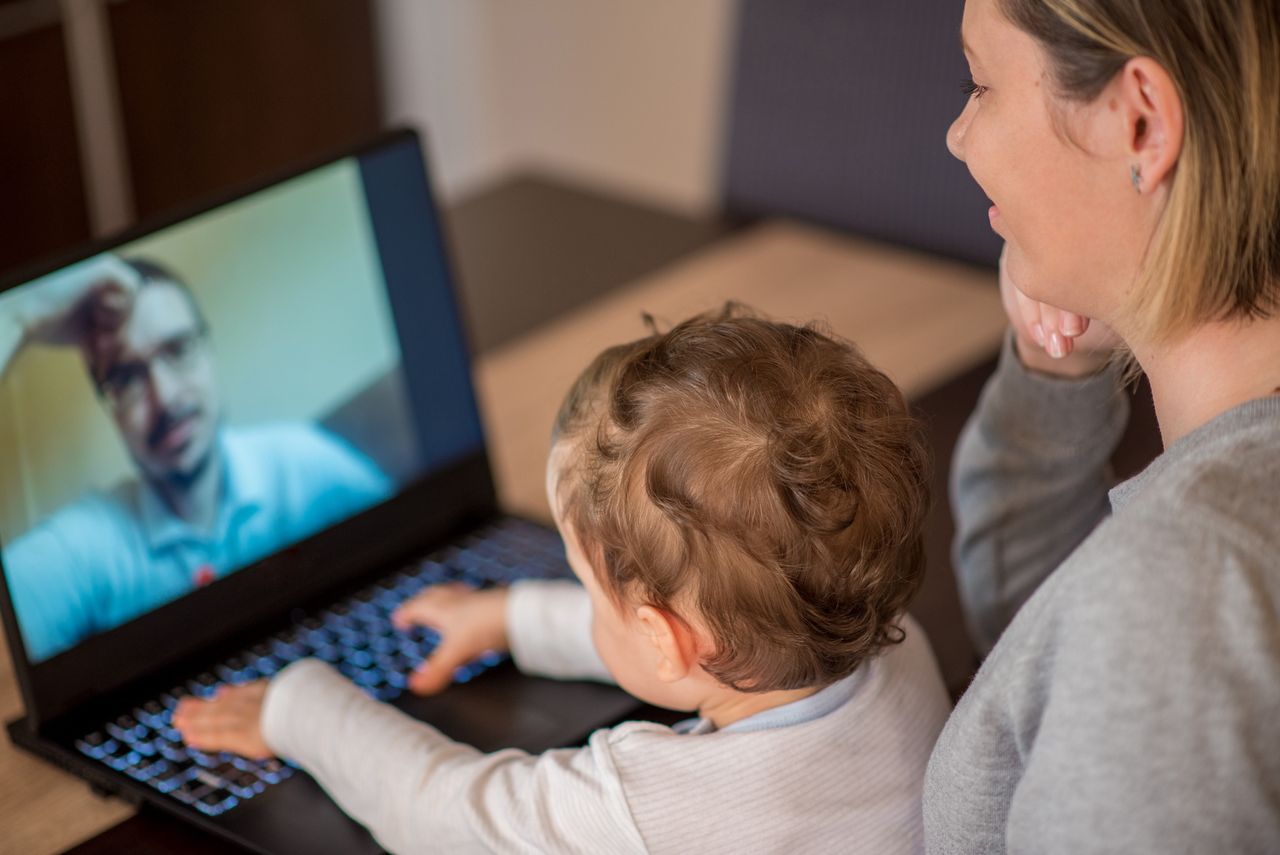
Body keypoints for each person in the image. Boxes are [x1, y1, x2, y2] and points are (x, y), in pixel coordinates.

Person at [174, 309, 952, 853]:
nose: (584, 600)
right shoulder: (897, 645)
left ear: (663, 635)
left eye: (585, 584)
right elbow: (683, 635)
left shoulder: (643, 805)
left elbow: (435, 813)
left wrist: (295, 706)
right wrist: (512, 618)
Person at [925, 0, 1280, 851]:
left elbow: (1133, 629)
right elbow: (1048, 645)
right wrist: (1061, 367)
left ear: (1142, 125)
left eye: (982, 86)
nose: (957, 135)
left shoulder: (1179, 593)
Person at [0, 254, 393, 660]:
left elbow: (402, 549)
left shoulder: (303, 461)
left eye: (179, 349)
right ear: (108, 406)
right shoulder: (83, 549)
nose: (165, 397)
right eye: (126, 378)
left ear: (210, 350)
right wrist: (17, 315)